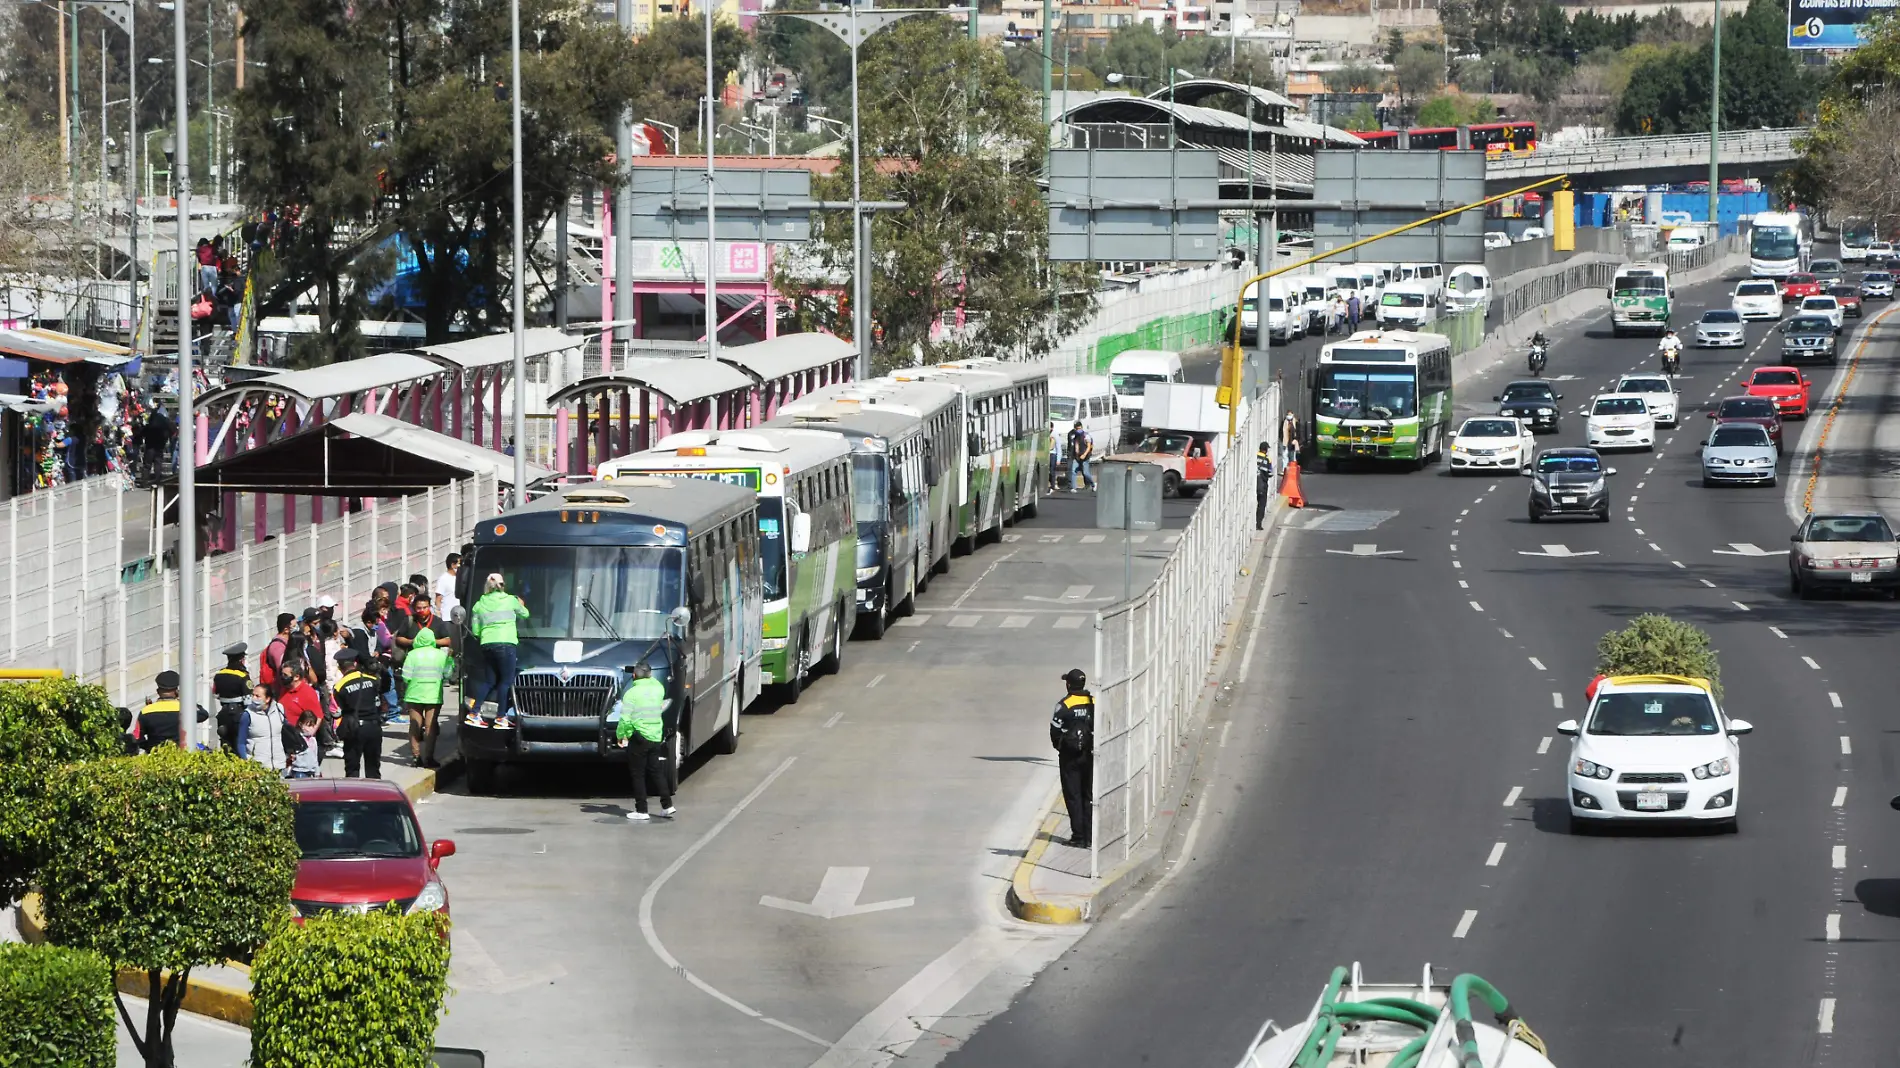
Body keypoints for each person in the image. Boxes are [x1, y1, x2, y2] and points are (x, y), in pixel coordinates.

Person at [615, 663, 675, 820]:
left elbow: (625, 720)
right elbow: (653, 682)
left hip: (639, 737)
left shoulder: (631, 694)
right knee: (656, 771)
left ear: (634, 676)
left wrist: (622, 735)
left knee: (638, 774)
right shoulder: (658, 689)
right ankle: (667, 805)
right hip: (655, 735)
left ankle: (641, 810)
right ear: (650, 675)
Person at [469, 573, 528, 722]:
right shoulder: (510, 600)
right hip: (506, 644)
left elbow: (476, 631)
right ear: (502, 586)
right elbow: (525, 614)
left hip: (487, 644)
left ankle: (474, 712)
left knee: (489, 681)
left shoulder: (479, 604)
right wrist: (520, 603)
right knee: (506, 682)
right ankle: (501, 716)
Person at [1049, 668, 1095, 848]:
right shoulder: (1093, 702)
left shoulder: (1064, 705)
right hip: (1090, 755)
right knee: (1088, 795)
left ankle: (1078, 836)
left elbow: (1054, 732)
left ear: (1068, 684)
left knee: (1073, 795)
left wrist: (1063, 747)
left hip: (1070, 758)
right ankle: (1089, 836)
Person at [401, 626, 450, 768]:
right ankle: (429, 758)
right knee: (431, 726)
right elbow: (447, 674)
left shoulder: (412, 655)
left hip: (414, 695)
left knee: (415, 726)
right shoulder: (441, 655)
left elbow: (406, 676)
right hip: (433, 696)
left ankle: (416, 757)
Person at [332, 648, 383, 779]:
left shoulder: (339, 687)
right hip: (373, 727)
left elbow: (338, 709)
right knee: (373, 768)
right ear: (355, 663)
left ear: (340, 667)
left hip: (354, 729)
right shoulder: (372, 680)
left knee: (352, 768)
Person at [135, 670, 206, 752]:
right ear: (177, 692)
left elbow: (137, 736)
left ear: (158, 692)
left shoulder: (146, 711)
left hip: (154, 756)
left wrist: (149, 747)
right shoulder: (185, 709)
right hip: (182, 755)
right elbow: (204, 714)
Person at [237, 684, 287, 775]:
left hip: (279, 765)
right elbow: (241, 742)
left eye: (258, 696)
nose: (254, 698)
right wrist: (245, 761)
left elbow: (287, 732)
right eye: (253, 695)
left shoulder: (279, 709)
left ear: (267, 699)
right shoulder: (248, 715)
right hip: (258, 767)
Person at [211, 643, 252, 753]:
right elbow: (248, 699)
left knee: (225, 744)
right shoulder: (243, 676)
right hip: (239, 714)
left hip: (223, 713)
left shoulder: (219, 674)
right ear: (241, 660)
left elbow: (215, 693)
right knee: (240, 744)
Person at [260, 612, 295, 691]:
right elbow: (282, 672)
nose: (297, 628)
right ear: (286, 630)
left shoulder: (288, 641)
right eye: (294, 626)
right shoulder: (278, 647)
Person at [286, 711, 322, 779]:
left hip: (311, 771)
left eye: (313, 726)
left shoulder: (313, 740)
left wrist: (317, 771)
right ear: (300, 724)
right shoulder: (297, 739)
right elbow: (291, 755)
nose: (310, 728)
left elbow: (315, 757)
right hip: (299, 771)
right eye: (308, 725)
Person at [1066, 421, 1096, 492]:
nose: (1078, 430)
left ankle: (1093, 485)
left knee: (1085, 472)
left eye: (1079, 428)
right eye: (1077, 429)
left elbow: (1089, 447)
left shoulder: (1086, 436)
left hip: (1085, 457)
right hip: (1077, 457)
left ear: (1082, 427)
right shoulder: (1075, 436)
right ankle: (1074, 487)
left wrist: (1084, 454)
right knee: (1073, 471)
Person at [434, 553, 462, 619]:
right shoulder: (443, 579)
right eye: (459, 563)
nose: (461, 566)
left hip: (460, 617)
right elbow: (438, 599)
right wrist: (440, 615)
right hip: (447, 617)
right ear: (452, 565)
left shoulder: (461, 578)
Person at [1256, 441, 1275, 530]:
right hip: (1263, 484)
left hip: (1255, 482)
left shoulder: (1255, 456)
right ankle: (1258, 523)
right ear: (1266, 450)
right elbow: (1270, 473)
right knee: (1261, 504)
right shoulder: (1267, 459)